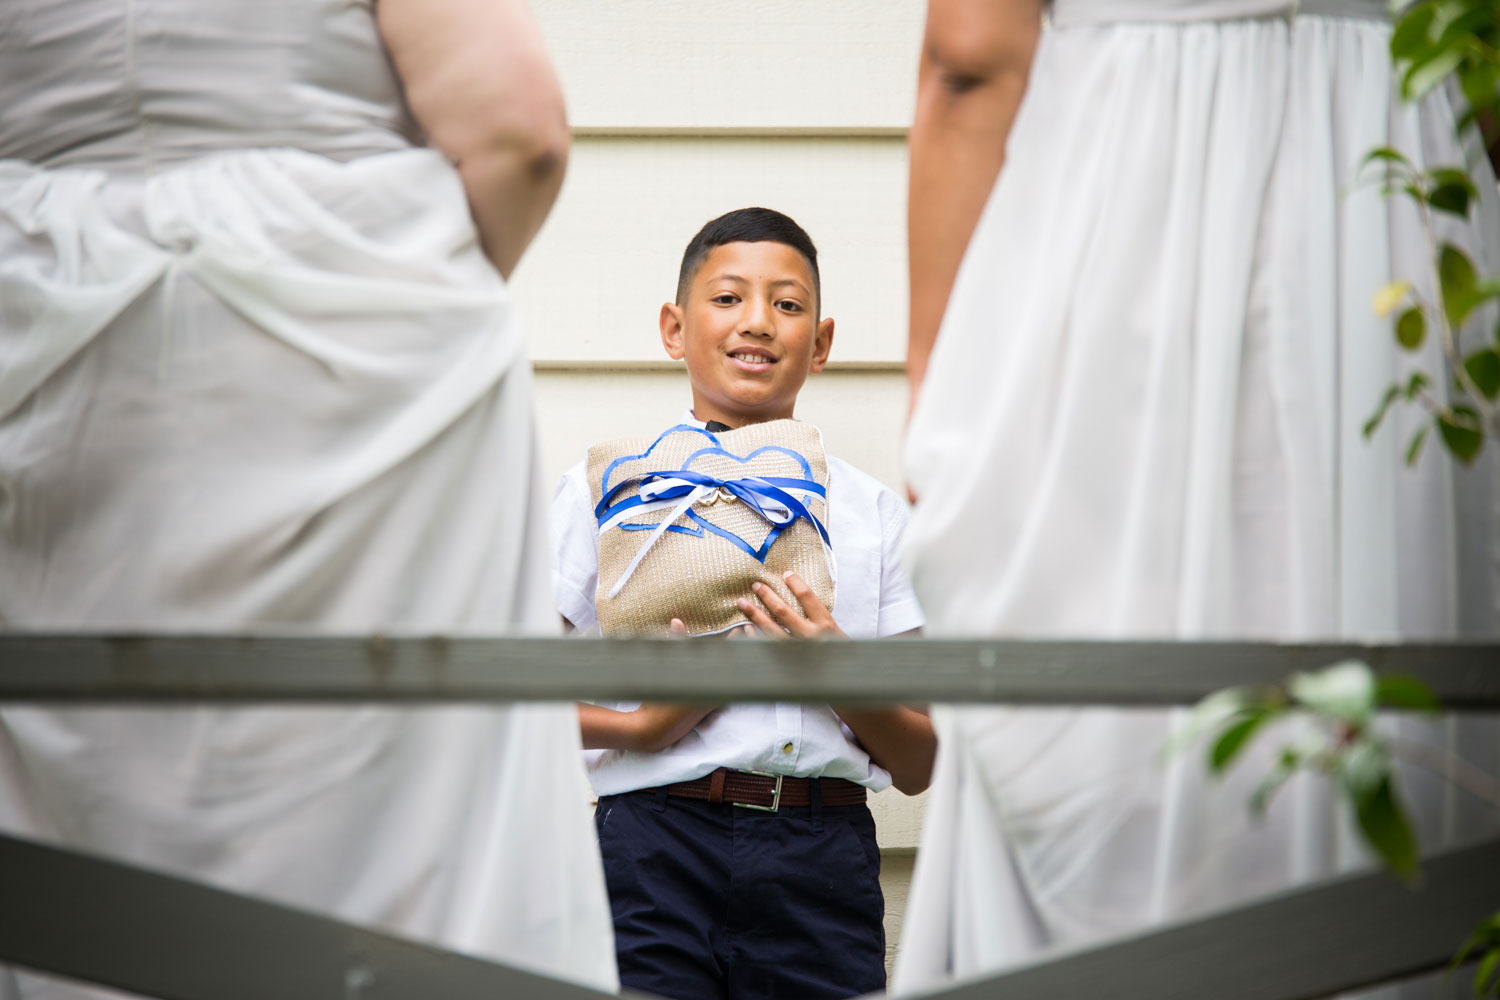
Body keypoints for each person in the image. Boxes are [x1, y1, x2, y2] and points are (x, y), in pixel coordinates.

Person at [0, 1, 615, 996]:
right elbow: (518, 133)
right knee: (398, 792)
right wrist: (407, 326)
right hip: (348, 329)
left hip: (39, 330)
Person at [895, 0, 1500, 994]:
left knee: (1107, 693)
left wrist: (931, 376)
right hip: (1394, 221)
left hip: (1131, 213)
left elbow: (972, 55)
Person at [550, 207, 936, 1000]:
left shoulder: (870, 514)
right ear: (674, 326)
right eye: (727, 299)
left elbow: (923, 759)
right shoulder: (606, 493)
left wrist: (838, 672)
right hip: (653, 849)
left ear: (821, 343)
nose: (757, 322)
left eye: (787, 304)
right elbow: (499, 694)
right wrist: (640, 725)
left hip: (821, 858)